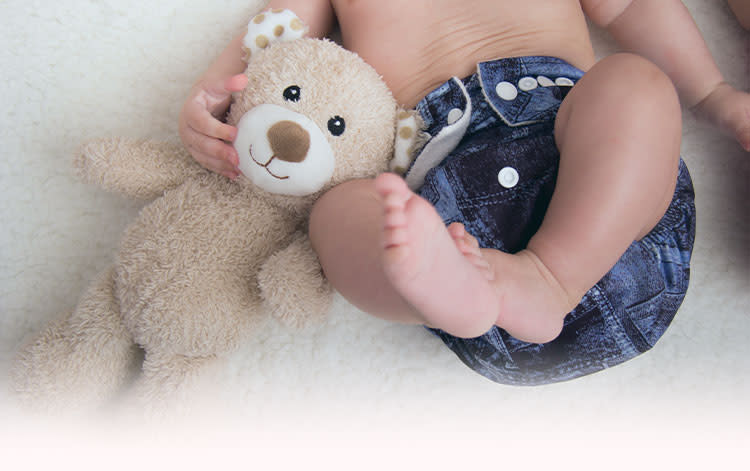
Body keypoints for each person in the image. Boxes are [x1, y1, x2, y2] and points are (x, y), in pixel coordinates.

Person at [179, 0, 750, 384]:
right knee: (338, 210)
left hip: (597, 187)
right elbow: (271, 39)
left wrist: (715, 94)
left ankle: (552, 277)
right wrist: (208, 104)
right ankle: (426, 289)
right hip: (453, 230)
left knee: (632, 82)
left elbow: (633, 7)